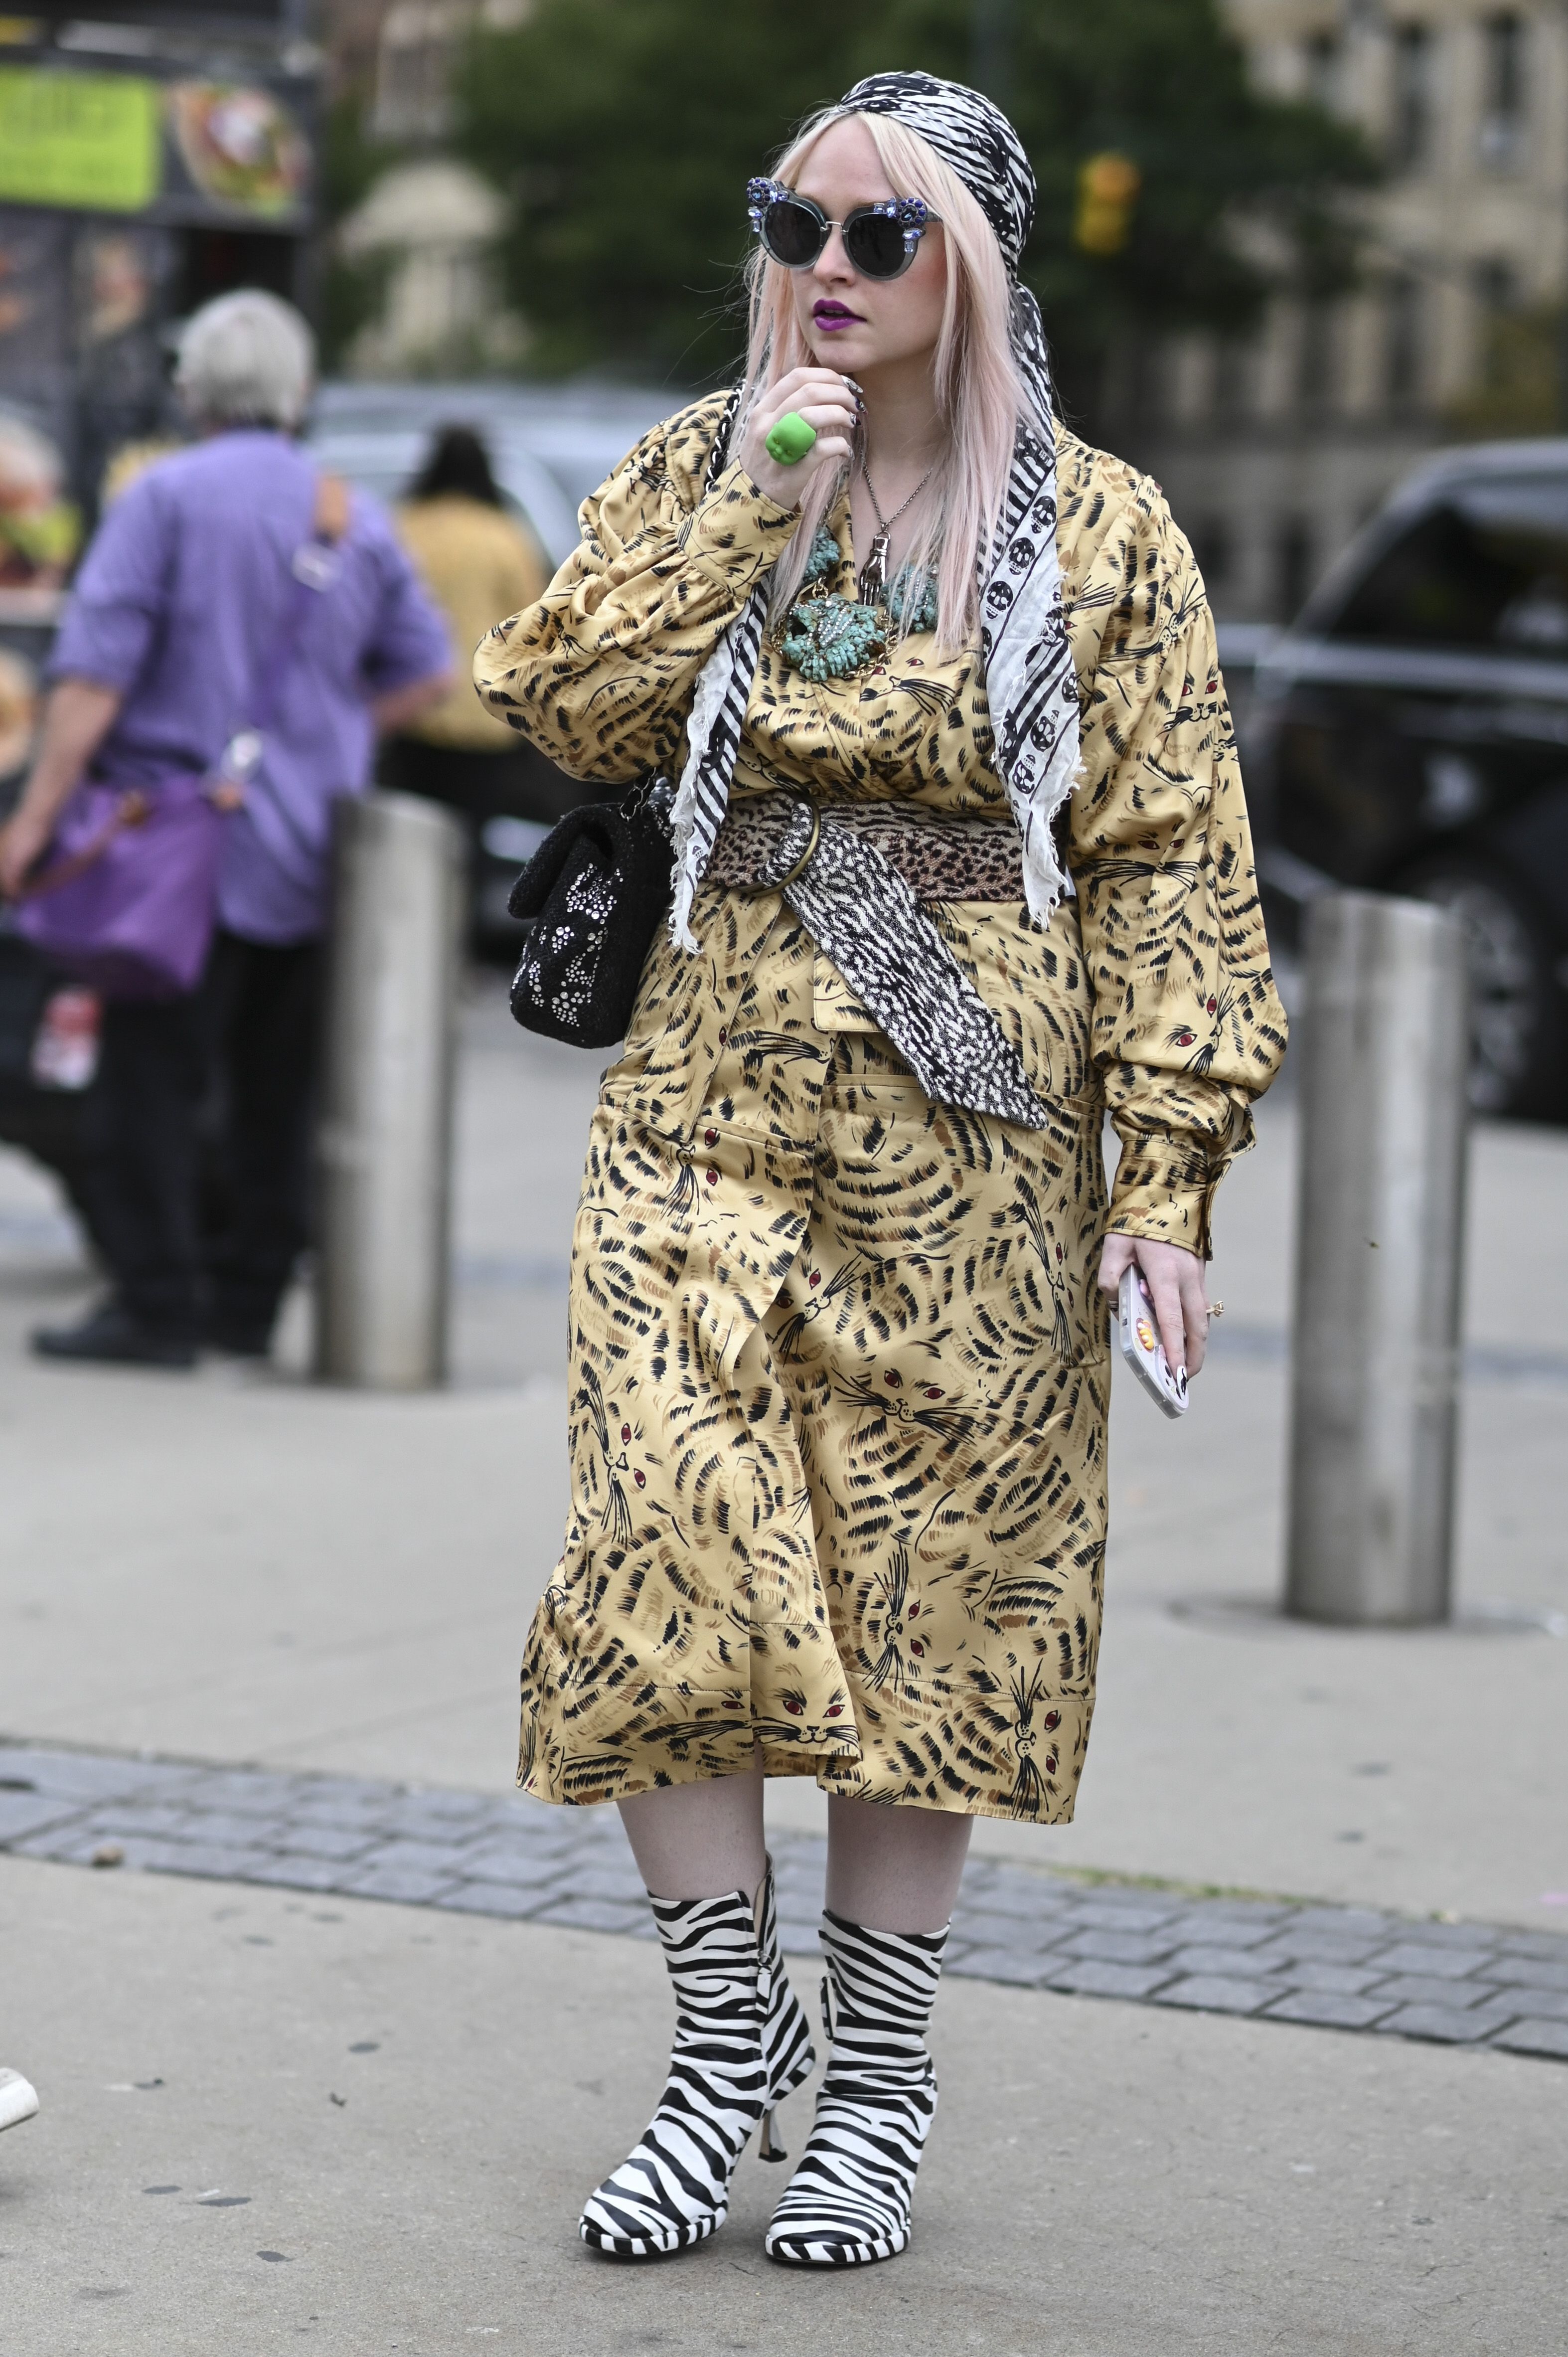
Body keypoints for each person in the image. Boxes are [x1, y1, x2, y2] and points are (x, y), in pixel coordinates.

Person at [474, 74, 1287, 2269]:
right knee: (663, 1537)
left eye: (880, 236)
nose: (825, 267)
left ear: (975, 267)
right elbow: (553, 702)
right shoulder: (696, 459)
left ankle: (886, 2075)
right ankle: (725, 2041)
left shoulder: (1099, 530)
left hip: (975, 1116)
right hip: (706, 1078)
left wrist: (1170, 1175)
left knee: (935, 1591)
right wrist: (747, 501)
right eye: (795, 221)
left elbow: (1172, 862)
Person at [0, 290, 451, 1367]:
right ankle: (248, 1300)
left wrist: (35, 821)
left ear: (190, 390)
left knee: (148, 1079)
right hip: (310, 851)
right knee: (276, 1086)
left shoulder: (162, 498)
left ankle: (155, 1302)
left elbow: (94, 680)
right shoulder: (352, 514)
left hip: (176, 850)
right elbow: (429, 676)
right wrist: (330, 728)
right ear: (300, 394)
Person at [383, 425, 555, 857]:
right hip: (486, 722)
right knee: (467, 847)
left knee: (406, 844)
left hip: (409, 714)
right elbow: (536, 629)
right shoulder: (506, 537)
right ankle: (460, 920)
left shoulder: (401, 525)